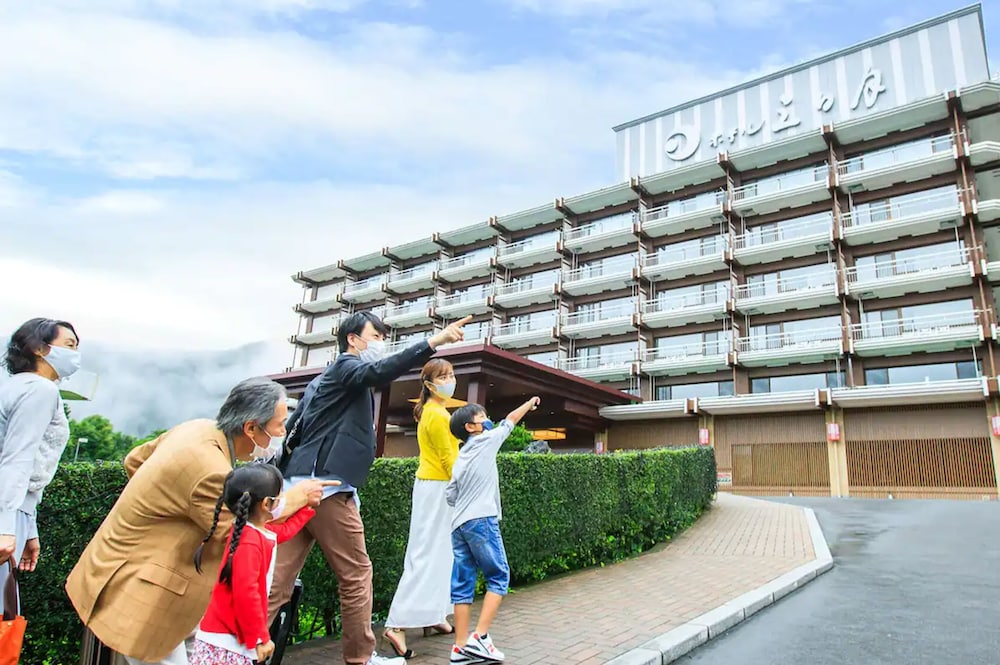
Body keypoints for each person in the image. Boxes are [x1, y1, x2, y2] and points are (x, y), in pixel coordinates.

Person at [66, 378, 333, 665]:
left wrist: (166, 512)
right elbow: (245, 527)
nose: (283, 432)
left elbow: (134, 460)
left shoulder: (196, 428)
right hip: (145, 590)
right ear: (251, 428)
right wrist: (299, 498)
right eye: (280, 425)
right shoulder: (211, 470)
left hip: (120, 564)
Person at [268, 312, 472, 665]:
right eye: (375, 336)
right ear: (353, 340)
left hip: (299, 486)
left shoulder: (323, 381)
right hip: (328, 490)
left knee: (278, 582)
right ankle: (361, 657)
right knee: (357, 575)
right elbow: (378, 371)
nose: (380, 342)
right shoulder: (347, 367)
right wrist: (434, 342)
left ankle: (236, 649)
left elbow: (296, 432)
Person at [193, 463, 323, 665]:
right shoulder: (249, 541)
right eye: (280, 496)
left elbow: (284, 532)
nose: (283, 500)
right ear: (266, 504)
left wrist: (307, 509)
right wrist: (261, 637)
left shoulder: (252, 531)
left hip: (229, 638)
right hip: (227, 642)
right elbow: (246, 593)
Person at [445, 396, 541, 664]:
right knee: (499, 576)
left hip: (459, 525)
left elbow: (450, 494)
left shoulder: (461, 455)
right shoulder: (486, 441)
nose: (487, 420)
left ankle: (460, 647)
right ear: (471, 427)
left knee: (463, 585)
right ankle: (480, 637)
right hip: (481, 520)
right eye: (482, 417)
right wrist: (529, 403)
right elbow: (510, 420)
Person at [0, 318, 80, 611]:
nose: (75, 355)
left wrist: (28, 526)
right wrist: (8, 526)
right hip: (6, 510)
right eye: (69, 345)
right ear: (40, 349)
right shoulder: (40, 391)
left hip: (14, 508)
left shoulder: (15, 386)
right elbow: (18, 458)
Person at [383, 359, 461, 659]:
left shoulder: (436, 412)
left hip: (435, 487)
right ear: (429, 384)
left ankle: (433, 613)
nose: (450, 381)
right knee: (427, 554)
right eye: (444, 377)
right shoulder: (437, 415)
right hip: (438, 487)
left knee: (441, 554)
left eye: (452, 375)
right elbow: (448, 459)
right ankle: (397, 624)